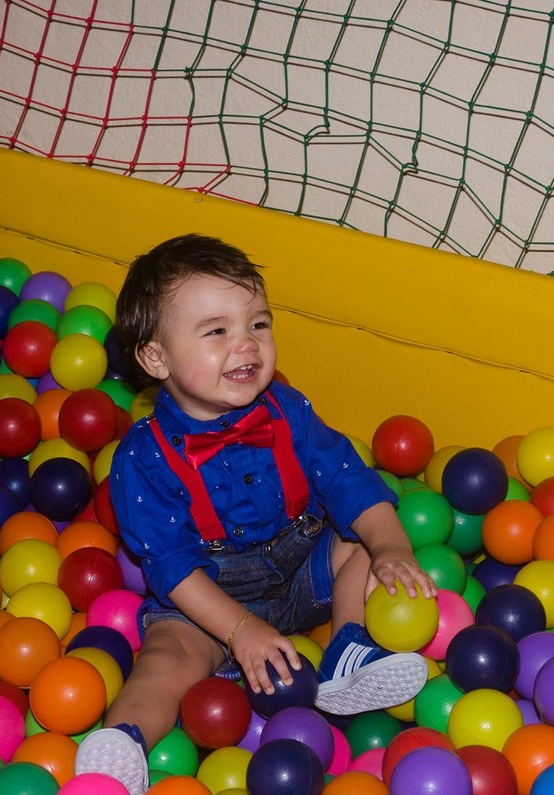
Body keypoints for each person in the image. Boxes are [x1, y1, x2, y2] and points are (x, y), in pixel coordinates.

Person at [75, 234, 436, 794]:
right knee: (168, 655)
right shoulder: (141, 460)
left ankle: (347, 649)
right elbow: (171, 568)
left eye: (258, 325)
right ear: (155, 357)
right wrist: (241, 630)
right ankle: (122, 742)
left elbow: (348, 481)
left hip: (299, 571)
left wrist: (391, 547)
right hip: (210, 601)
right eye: (217, 331)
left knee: (359, 545)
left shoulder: (288, 412)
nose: (245, 345)